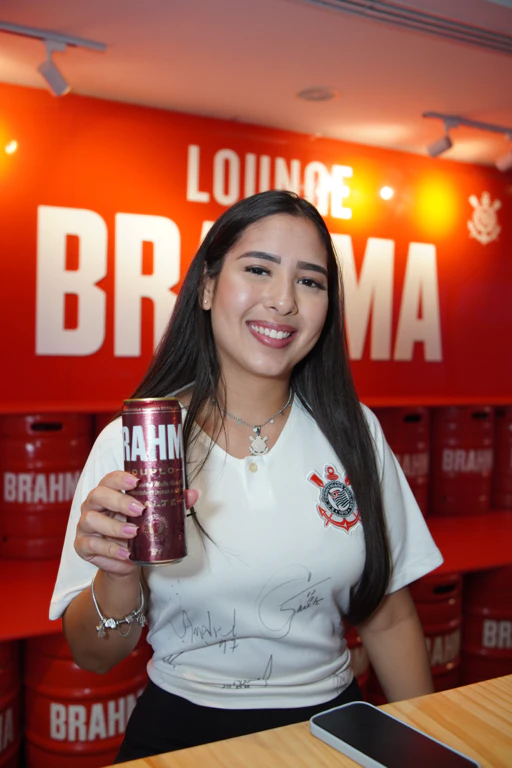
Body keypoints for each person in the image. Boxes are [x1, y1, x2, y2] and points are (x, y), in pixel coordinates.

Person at [50, 190, 443, 762]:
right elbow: (94, 657)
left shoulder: (355, 431)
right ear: (207, 287)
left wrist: (427, 749)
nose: (283, 300)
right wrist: (118, 573)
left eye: (310, 281)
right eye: (259, 269)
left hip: (331, 728)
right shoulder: (135, 444)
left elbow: (390, 618)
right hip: (181, 732)